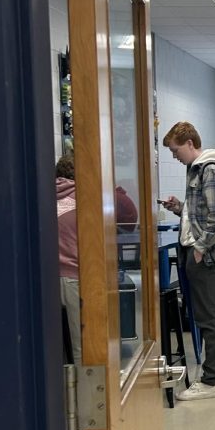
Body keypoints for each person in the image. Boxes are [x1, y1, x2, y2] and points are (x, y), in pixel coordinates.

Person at [161, 121, 215, 401]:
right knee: (214, 314)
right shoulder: (199, 170)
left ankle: (210, 380)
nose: (174, 155)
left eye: (176, 149)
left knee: (208, 317)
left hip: (203, 253)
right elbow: (203, 213)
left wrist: (201, 248)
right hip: (200, 251)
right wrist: (180, 208)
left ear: (190, 143)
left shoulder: (210, 170)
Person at [57, 153, 138, 364]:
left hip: (49, 279)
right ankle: (87, 393)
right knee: (83, 345)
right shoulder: (87, 200)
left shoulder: (45, 198)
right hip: (79, 277)